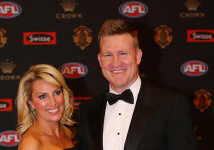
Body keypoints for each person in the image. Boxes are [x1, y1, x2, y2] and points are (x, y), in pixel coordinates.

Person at [77, 19, 198, 150]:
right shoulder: (87, 111)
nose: (116, 63)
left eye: (123, 53)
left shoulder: (171, 105)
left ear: (138, 56)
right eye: (108, 55)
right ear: (100, 60)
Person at [16, 64, 77, 150]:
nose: (53, 103)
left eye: (57, 93)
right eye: (42, 96)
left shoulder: (67, 132)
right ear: (31, 103)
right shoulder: (31, 143)